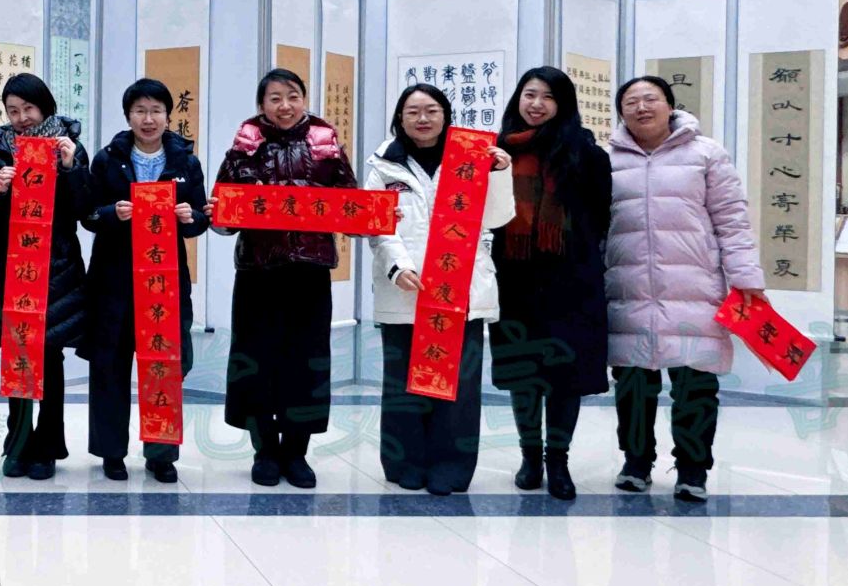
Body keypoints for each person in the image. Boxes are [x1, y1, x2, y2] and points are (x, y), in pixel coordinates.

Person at [606, 75, 766, 504]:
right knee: (632, 384)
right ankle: (636, 462)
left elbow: (731, 219)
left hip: (694, 288)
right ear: (621, 112)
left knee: (695, 384)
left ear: (670, 105)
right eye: (631, 102)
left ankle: (693, 468)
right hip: (628, 288)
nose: (641, 108)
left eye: (650, 99)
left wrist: (746, 278)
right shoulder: (607, 160)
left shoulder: (706, 154)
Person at [365, 83, 515, 497]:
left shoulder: (471, 157)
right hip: (406, 288)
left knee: (459, 386)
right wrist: (397, 267)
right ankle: (405, 462)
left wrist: (499, 174)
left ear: (446, 115)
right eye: (413, 111)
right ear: (400, 118)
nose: (423, 119)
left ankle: (452, 465)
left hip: (459, 289)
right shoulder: (383, 164)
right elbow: (378, 225)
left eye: (431, 110)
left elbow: (497, 217)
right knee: (403, 382)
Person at [213, 68, 357, 489]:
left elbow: (350, 202)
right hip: (258, 272)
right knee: (257, 362)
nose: (285, 105)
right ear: (262, 105)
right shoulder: (245, 145)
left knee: (305, 363)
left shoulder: (326, 142)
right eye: (275, 98)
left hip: (310, 272)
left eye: (293, 96)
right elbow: (224, 213)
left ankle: (296, 452)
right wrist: (219, 212)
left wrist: (374, 214)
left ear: (304, 99)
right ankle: (264, 451)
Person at [492, 67, 612, 502]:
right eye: (529, 94)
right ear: (518, 99)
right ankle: (530, 457)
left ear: (563, 104)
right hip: (514, 279)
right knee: (524, 372)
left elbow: (600, 219)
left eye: (548, 96)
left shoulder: (586, 154)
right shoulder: (497, 152)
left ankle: (558, 461)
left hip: (570, 281)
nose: (537, 104)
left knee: (565, 375)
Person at [84, 77, 210, 483]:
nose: (149, 119)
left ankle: (161, 454)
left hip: (164, 282)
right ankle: (111, 452)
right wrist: (111, 213)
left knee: (163, 365)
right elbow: (88, 214)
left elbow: (201, 219)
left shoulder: (185, 161)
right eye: (140, 111)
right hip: (114, 280)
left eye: (156, 110)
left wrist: (191, 218)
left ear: (168, 116)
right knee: (110, 366)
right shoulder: (108, 159)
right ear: (128, 116)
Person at [0, 73, 90, 482]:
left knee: (50, 357)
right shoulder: (0, 147)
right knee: (18, 355)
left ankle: (47, 445)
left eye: (28, 108)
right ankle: (18, 441)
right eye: (13, 111)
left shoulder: (68, 144)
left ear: (45, 107)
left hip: (56, 267)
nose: (22, 117)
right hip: (12, 265)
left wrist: (71, 167)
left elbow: (85, 210)